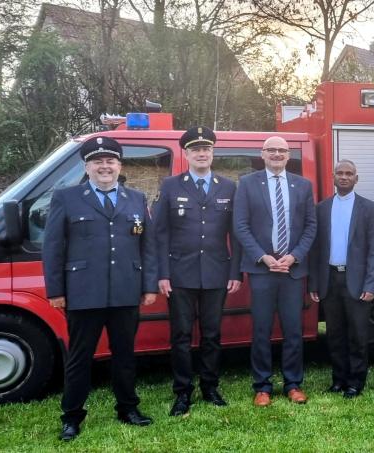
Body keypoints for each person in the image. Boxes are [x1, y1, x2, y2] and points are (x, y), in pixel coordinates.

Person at [43, 136, 157, 441]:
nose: (104, 166)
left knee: (125, 355)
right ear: (86, 166)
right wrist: (56, 291)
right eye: (98, 161)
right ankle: (72, 416)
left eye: (111, 161)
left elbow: (147, 246)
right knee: (80, 357)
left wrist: (148, 286)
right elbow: (53, 247)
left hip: (125, 290)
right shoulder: (66, 198)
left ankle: (128, 408)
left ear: (119, 166)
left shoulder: (136, 198)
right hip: (83, 291)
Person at [153, 126, 242, 414]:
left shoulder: (228, 187)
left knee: (212, 334)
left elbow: (236, 233)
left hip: (216, 273)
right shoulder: (170, 186)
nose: (201, 154)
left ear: (213, 153)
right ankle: (182, 392)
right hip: (179, 274)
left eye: (206, 149)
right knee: (180, 335)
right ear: (186, 154)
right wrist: (162, 273)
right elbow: (160, 233)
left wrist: (234, 273)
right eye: (195, 150)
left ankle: (210, 386)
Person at [233, 136, 317, 406]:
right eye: (272, 150)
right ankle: (263, 386)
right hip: (262, 270)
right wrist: (264, 257)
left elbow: (310, 227)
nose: (277, 154)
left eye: (282, 150)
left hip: (292, 271)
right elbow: (240, 226)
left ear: (289, 155)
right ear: (263, 153)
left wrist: (294, 256)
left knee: (294, 329)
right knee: (261, 330)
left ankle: (293, 384)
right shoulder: (247, 183)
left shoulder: (303, 185)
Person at [308, 160, 374, 399]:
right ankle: (338, 380)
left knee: (358, 335)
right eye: (340, 173)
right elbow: (316, 249)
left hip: (357, 281)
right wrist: (314, 283)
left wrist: (371, 284)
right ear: (333, 176)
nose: (344, 177)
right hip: (330, 280)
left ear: (356, 179)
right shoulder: (322, 208)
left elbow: (373, 250)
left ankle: (356, 382)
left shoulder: (369, 208)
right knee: (335, 334)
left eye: (349, 174)